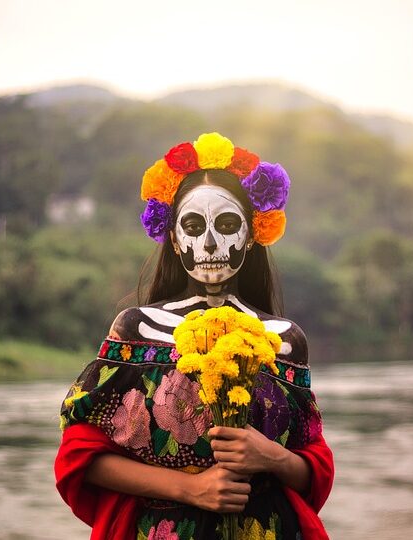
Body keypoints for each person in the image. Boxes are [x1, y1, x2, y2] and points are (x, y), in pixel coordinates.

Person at [54, 132, 334, 540]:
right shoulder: (137, 329)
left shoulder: (284, 340)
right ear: (173, 237)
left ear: (252, 234)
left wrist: (272, 457)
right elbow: (80, 456)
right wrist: (192, 489)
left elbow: (312, 470)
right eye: (192, 226)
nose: (208, 243)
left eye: (225, 225)